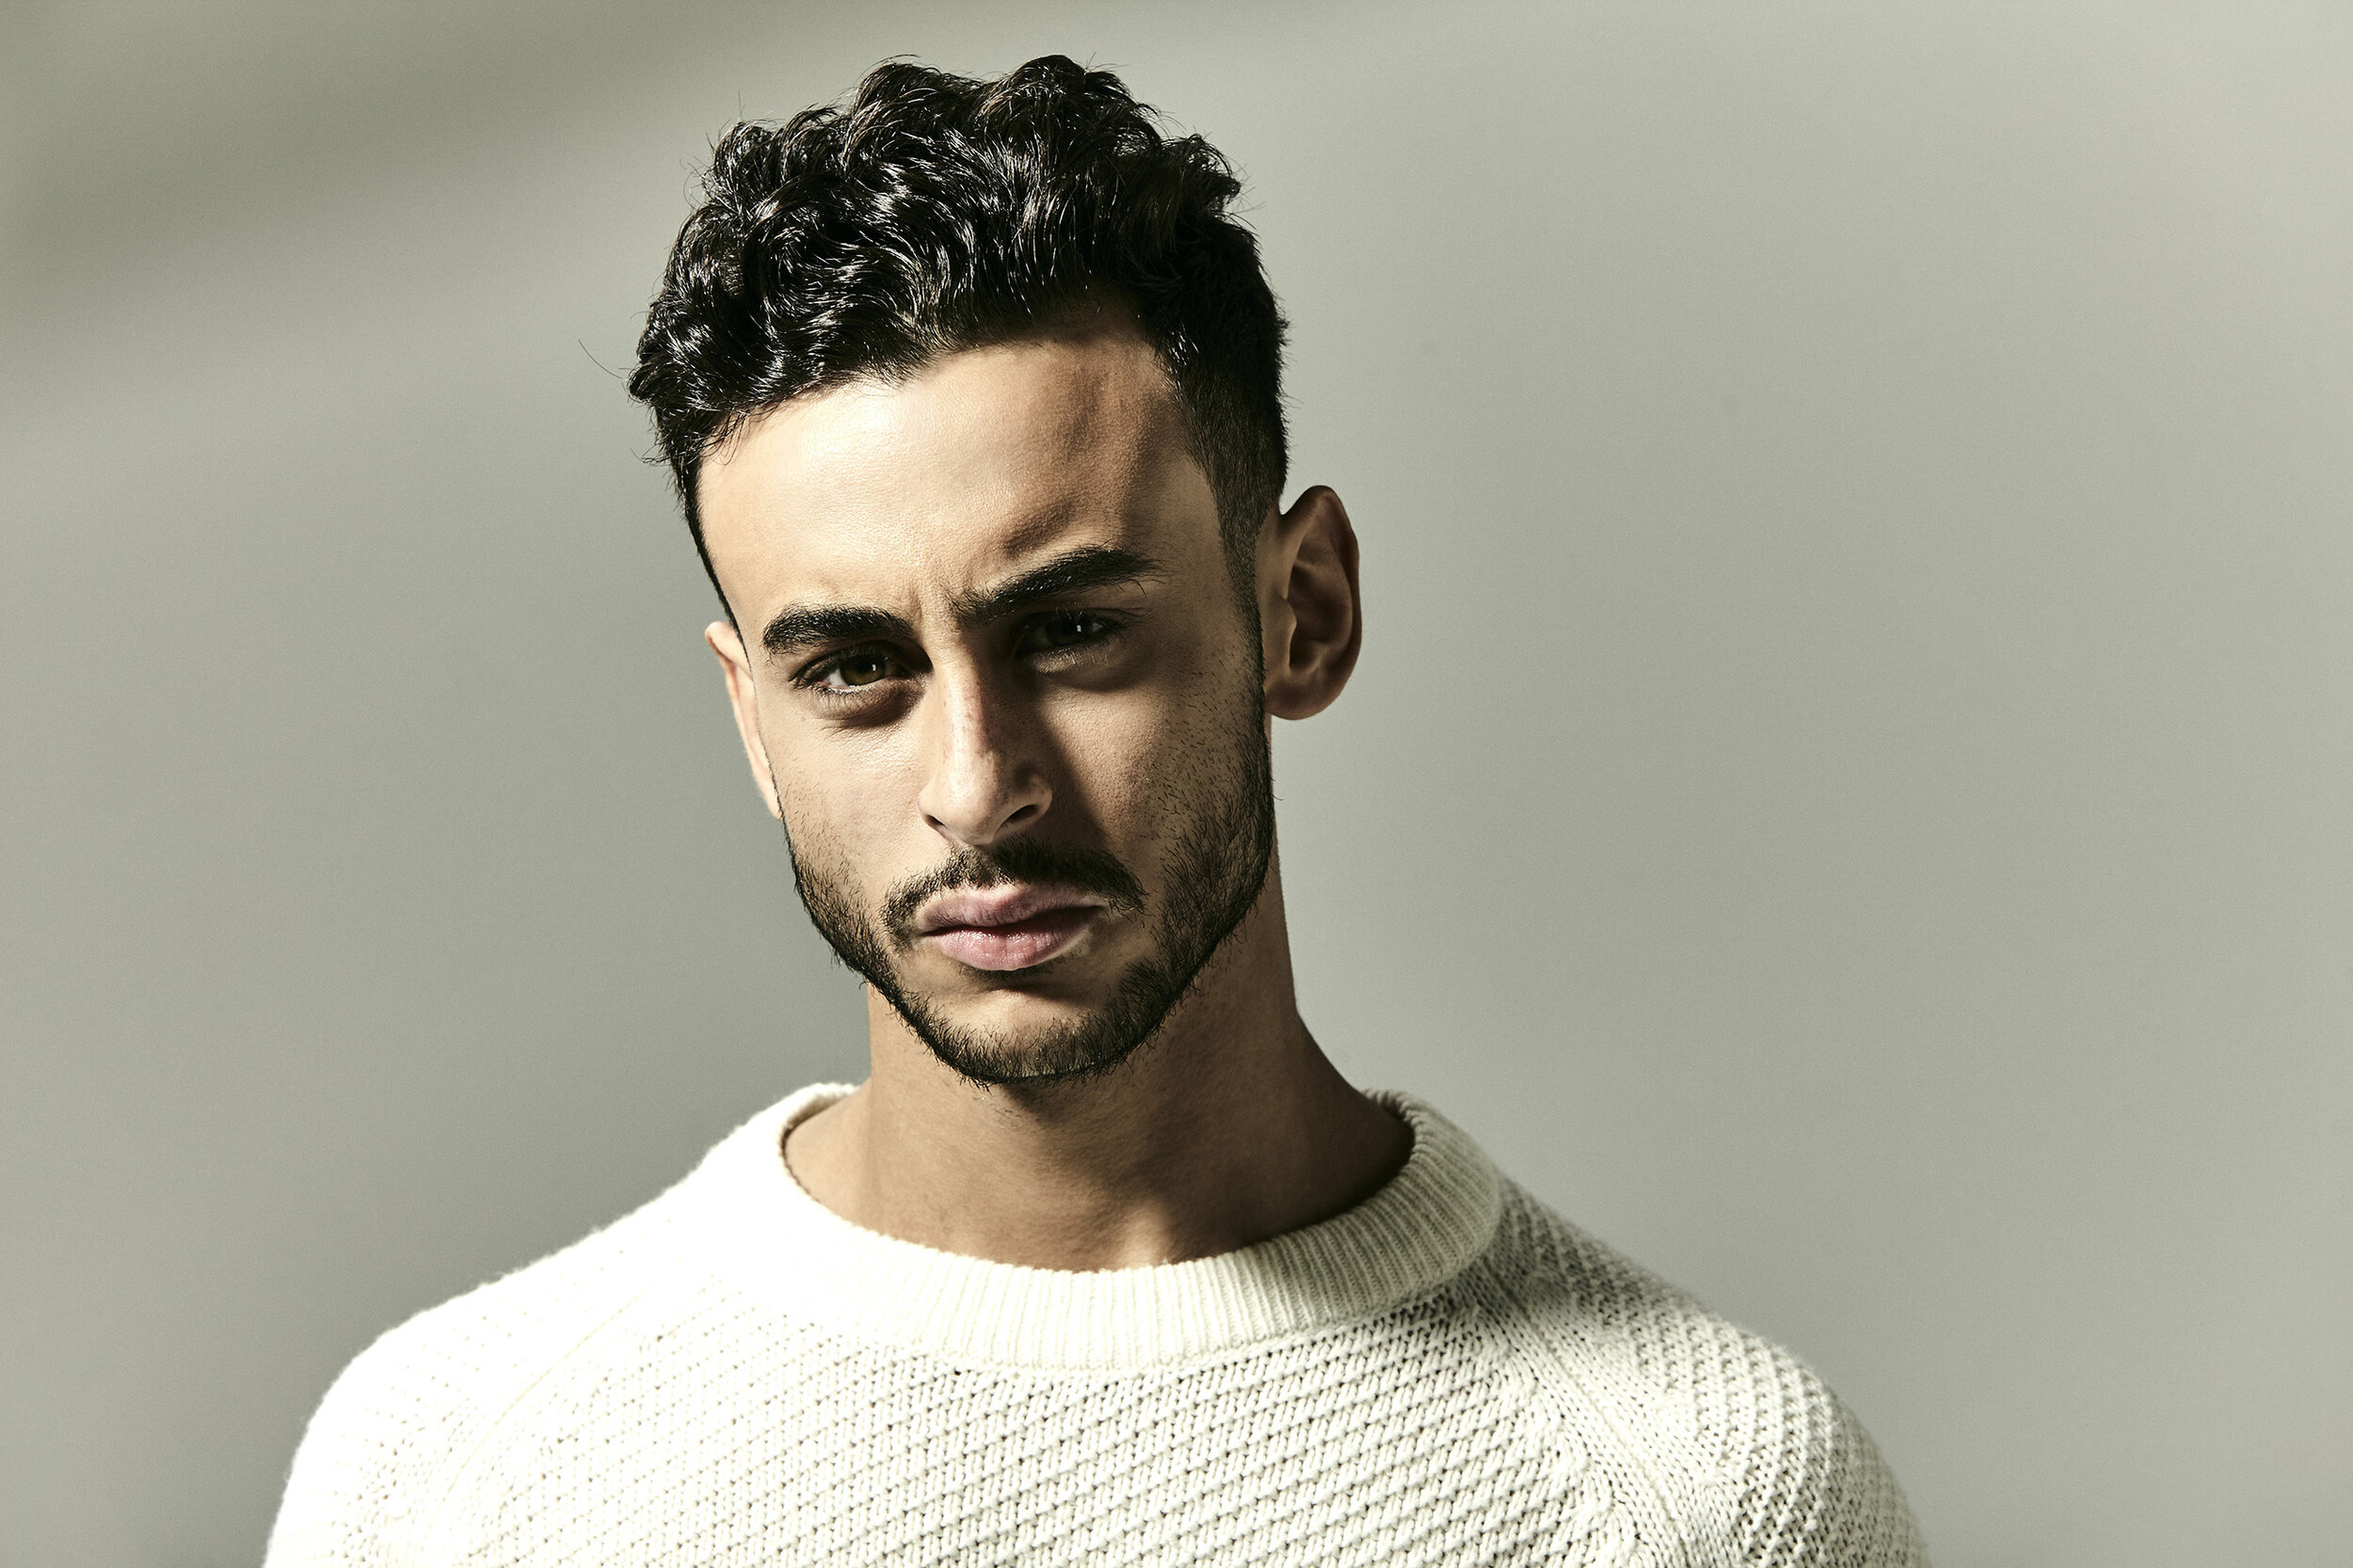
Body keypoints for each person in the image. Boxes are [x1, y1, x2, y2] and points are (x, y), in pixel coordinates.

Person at [265, 56, 1929, 1567]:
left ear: (1305, 611)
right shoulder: (448, 1470)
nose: (979, 784)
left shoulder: (1708, 1498)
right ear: (752, 722)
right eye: (855, 669)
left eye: (1069, 632)